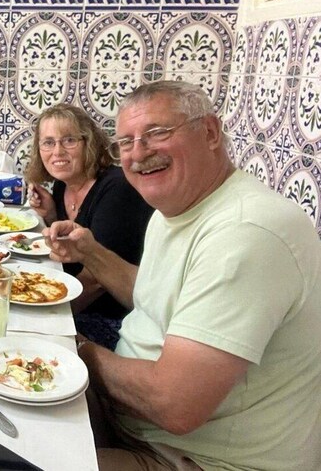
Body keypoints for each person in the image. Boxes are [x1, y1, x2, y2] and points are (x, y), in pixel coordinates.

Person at [45, 81, 321, 470]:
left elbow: (174, 405)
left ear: (209, 132)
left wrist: (77, 350)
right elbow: (154, 295)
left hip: (194, 458)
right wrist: (90, 250)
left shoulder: (248, 232)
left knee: (19, 461)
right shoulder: (177, 208)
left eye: (157, 133)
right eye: (125, 142)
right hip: (136, 424)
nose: (139, 153)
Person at [25, 103, 153, 349]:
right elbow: (73, 249)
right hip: (82, 303)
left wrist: (47, 316)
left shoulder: (116, 190)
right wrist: (51, 214)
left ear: (89, 143)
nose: (58, 151)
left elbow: (96, 278)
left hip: (114, 319)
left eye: (69, 140)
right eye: (48, 142)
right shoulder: (64, 184)